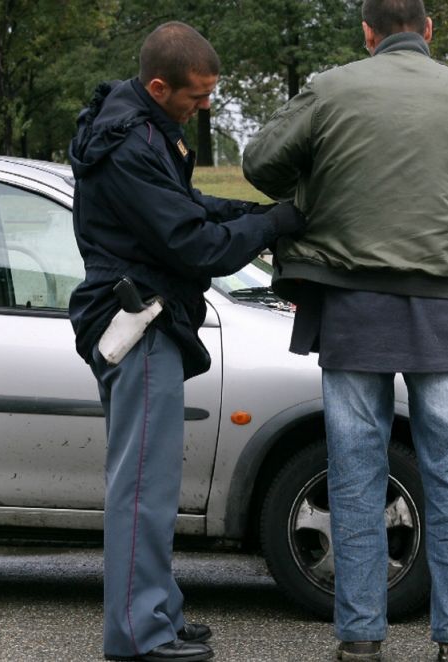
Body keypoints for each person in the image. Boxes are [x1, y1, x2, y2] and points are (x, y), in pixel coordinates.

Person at [242, 1, 448, 659]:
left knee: (354, 472)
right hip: (447, 310)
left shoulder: (330, 89)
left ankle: (360, 639)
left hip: (353, 304)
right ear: (428, 30)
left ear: (367, 33)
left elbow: (261, 164)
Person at [68, 21, 306, 662]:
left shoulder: (141, 128)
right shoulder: (129, 147)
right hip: (139, 323)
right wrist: (273, 224)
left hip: (148, 319)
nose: (205, 106)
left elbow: (188, 205)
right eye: (197, 96)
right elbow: (193, 244)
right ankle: (138, 634)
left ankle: (159, 610)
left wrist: (257, 214)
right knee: (142, 489)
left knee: (154, 485)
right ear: (157, 86)